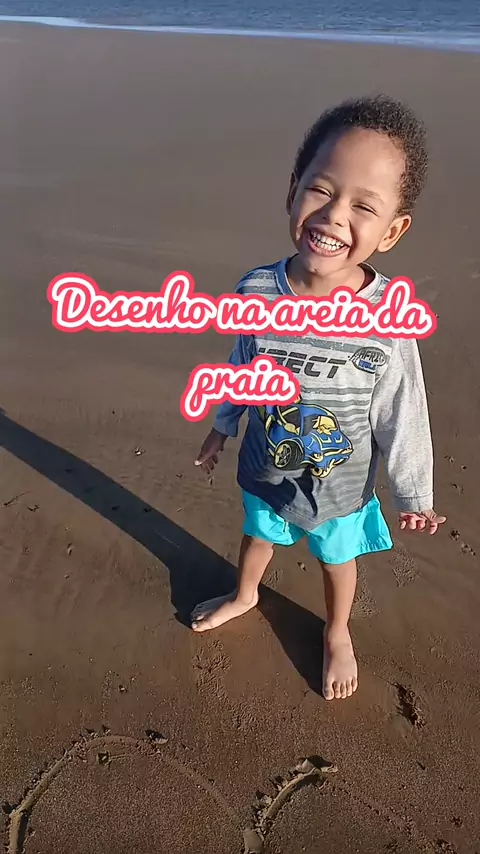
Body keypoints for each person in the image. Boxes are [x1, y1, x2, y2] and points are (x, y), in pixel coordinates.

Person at [191, 94, 446, 701]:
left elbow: (404, 410)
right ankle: (245, 594)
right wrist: (221, 426)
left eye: (364, 206)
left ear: (392, 230)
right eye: (321, 190)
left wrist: (414, 493)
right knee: (257, 536)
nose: (334, 216)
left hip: (340, 485)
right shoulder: (258, 289)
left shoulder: (387, 317)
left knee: (337, 560)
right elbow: (241, 366)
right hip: (267, 465)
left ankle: (336, 632)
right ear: (293, 190)